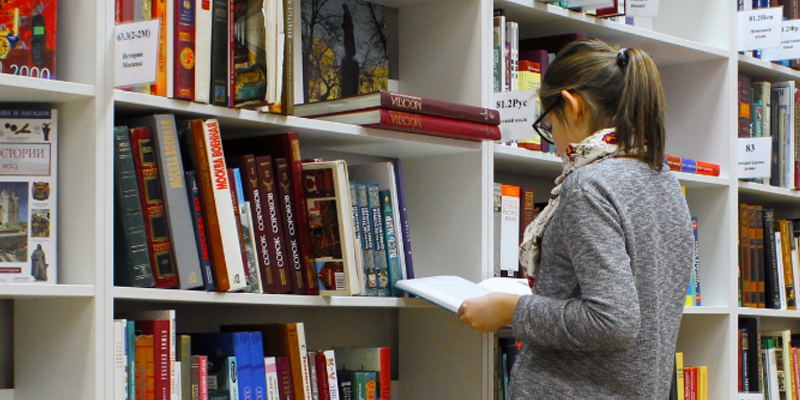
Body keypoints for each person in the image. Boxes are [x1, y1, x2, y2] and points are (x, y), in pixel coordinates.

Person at [457, 39, 694, 399]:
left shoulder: (590, 186)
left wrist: (509, 309)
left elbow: (612, 323)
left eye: (549, 125)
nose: (553, 144)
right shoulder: (663, 180)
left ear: (573, 105)